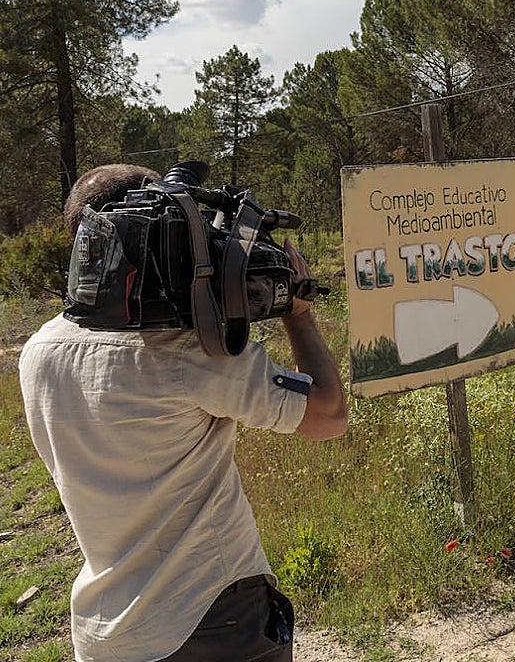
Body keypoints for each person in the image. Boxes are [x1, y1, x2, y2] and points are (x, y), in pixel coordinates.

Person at [19, 163, 348, 662]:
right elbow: (329, 415)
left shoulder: (38, 353)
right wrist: (297, 315)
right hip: (211, 620)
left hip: (105, 628)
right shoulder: (187, 354)